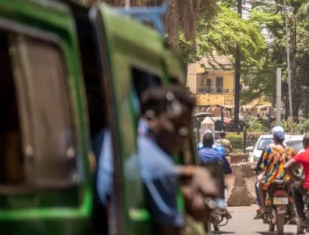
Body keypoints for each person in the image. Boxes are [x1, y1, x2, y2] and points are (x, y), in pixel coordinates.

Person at [94, 85, 219, 234]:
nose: (184, 132)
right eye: (177, 124)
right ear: (151, 118)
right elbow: (170, 231)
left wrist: (189, 171)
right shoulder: (159, 165)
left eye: (187, 126)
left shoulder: (107, 137)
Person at [258, 126, 297, 210]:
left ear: (274, 138)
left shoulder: (269, 149)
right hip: (288, 178)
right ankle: (294, 207)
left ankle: (263, 207)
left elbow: (264, 164)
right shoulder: (291, 150)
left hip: (271, 178)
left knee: (260, 185)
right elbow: (296, 164)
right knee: (295, 188)